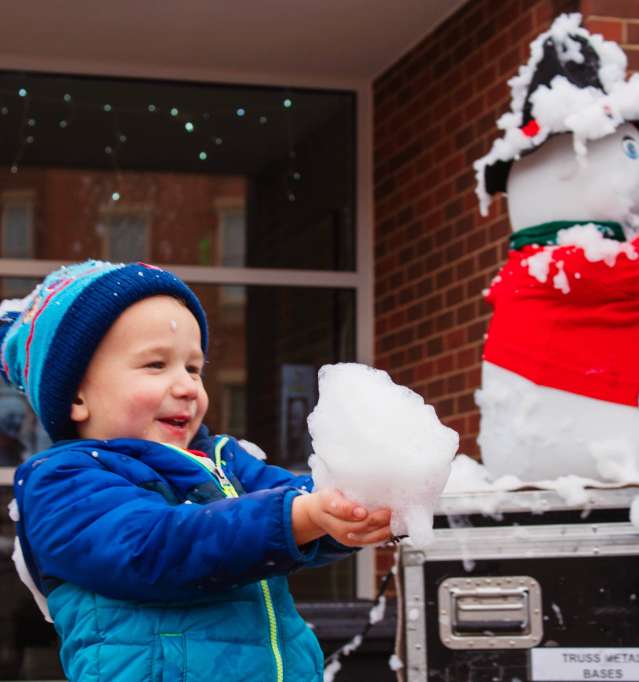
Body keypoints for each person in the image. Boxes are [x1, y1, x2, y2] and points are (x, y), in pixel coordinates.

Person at [3, 260, 392, 682]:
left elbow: (300, 501)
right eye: (156, 365)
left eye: (193, 368)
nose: (188, 386)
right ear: (76, 396)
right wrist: (301, 516)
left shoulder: (223, 459)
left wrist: (349, 508)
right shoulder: (63, 482)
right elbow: (158, 547)